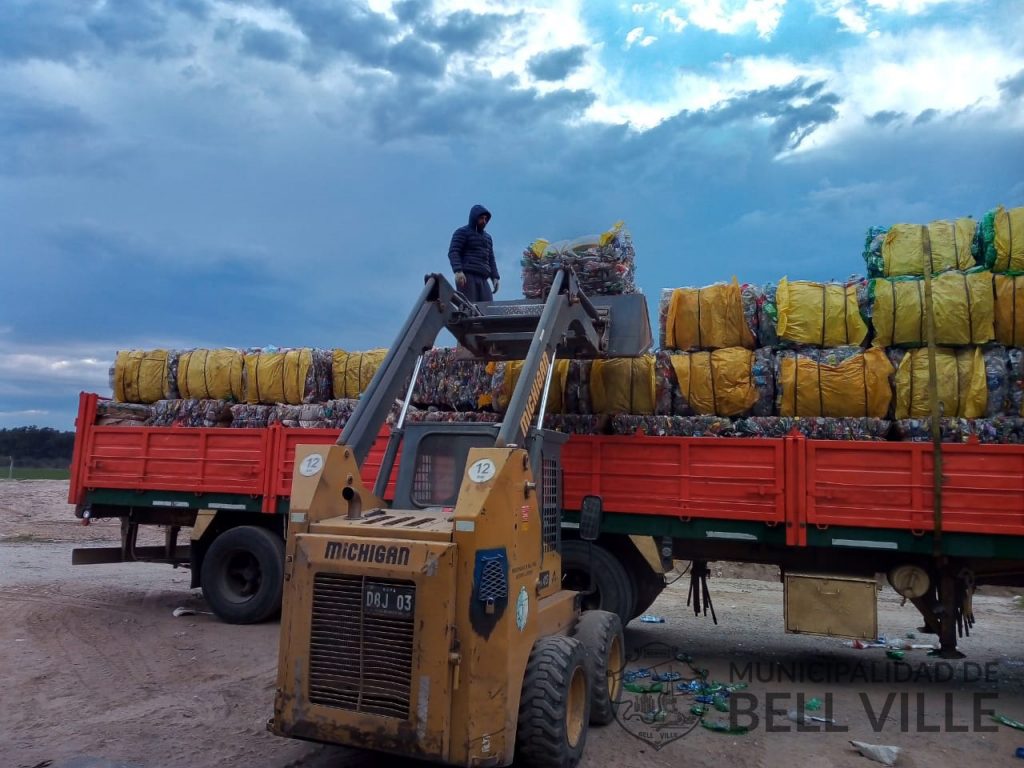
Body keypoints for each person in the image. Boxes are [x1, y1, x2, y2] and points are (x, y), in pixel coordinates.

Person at [448, 204, 500, 302]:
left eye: (486, 219)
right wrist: (458, 271)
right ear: (474, 218)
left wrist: (495, 277)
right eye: (481, 218)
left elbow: (491, 259)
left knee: (487, 308)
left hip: (483, 277)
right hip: (467, 276)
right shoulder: (462, 232)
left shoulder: (488, 238)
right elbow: (454, 251)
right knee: (469, 308)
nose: (484, 221)